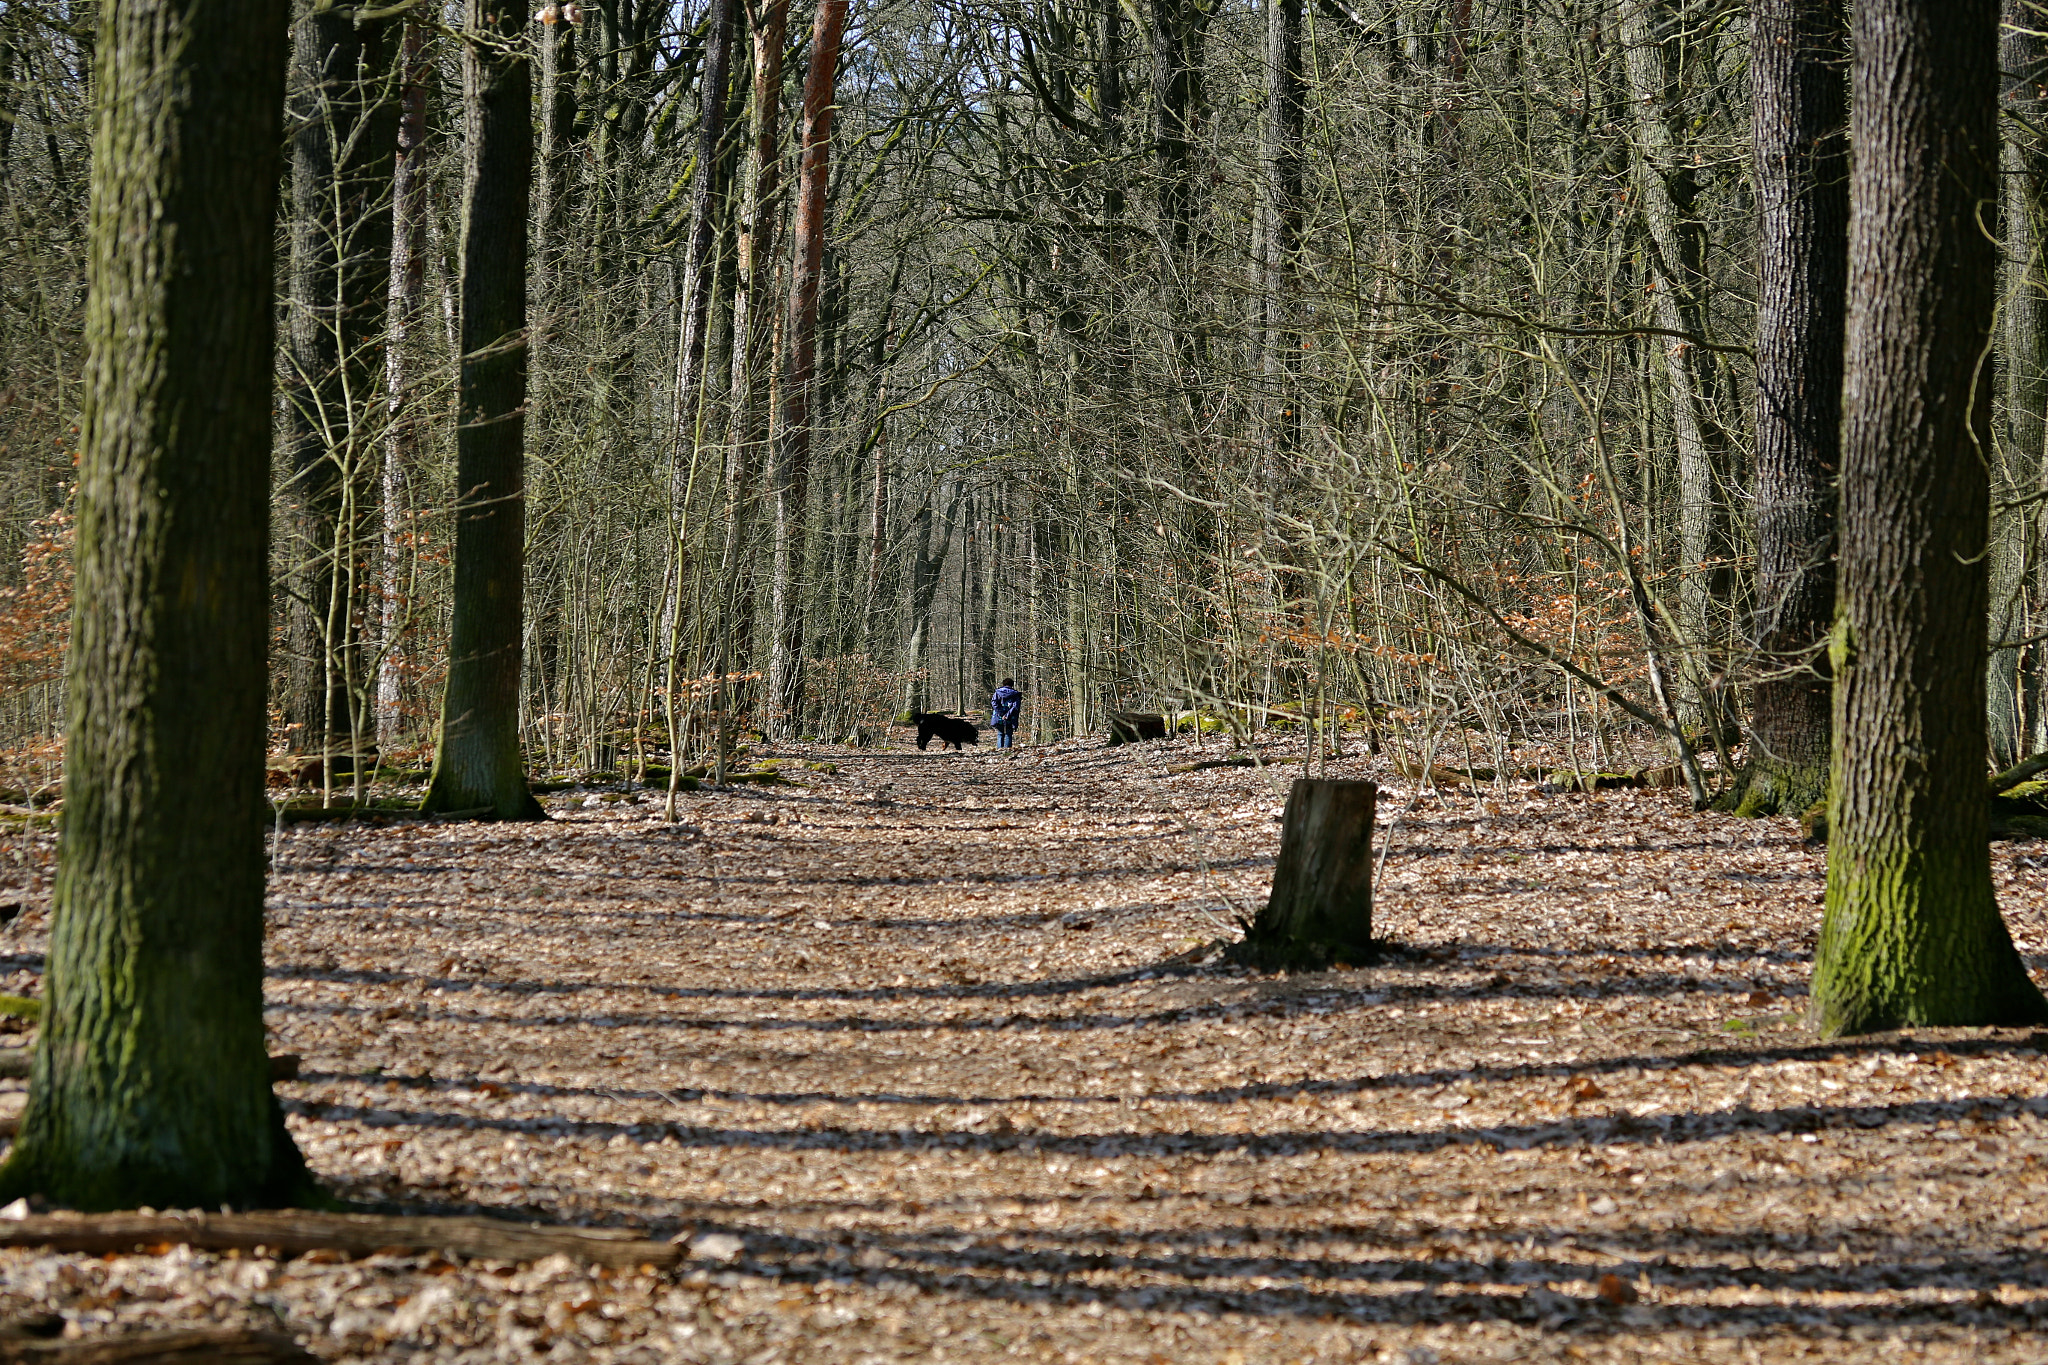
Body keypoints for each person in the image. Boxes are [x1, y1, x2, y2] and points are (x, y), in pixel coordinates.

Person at [990, 678, 1023, 750]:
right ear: (1012, 685)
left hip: (998, 717)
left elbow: (994, 703)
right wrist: (1007, 715)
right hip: (1011, 717)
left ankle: (999, 751)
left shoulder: (997, 693)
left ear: (1003, 684)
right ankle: (1007, 751)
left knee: (1000, 734)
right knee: (1008, 734)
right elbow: (1015, 706)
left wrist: (1001, 713)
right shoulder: (1015, 694)